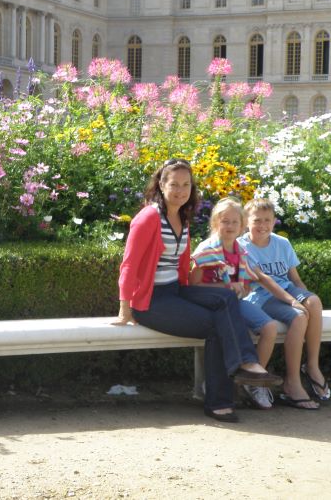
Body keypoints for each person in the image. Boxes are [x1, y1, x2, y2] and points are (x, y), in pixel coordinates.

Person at [116, 160, 282, 423]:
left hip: (177, 290)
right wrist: (125, 309)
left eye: (186, 185)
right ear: (161, 184)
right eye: (174, 184)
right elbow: (130, 263)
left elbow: (183, 265)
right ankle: (221, 399)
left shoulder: (182, 217)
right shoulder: (148, 217)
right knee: (217, 325)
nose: (180, 190)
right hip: (152, 301)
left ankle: (247, 365)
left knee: (226, 296)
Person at [190, 198, 285, 410]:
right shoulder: (207, 249)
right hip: (211, 304)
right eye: (225, 221)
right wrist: (224, 288)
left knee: (270, 327)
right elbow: (192, 285)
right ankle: (217, 382)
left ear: (242, 226)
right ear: (215, 224)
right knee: (228, 330)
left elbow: (248, 281)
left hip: (234, 301)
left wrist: (243, 287)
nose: (230, 226)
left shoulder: (240, 252)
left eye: (234, 222)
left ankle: (252, 381)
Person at [238, 198, 330, 409]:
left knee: (314, 303)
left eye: (267, 220)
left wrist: (304, 297)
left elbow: (294, 279)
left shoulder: (282, 243)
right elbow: (264, 281)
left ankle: (313, 366)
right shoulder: (242, 246)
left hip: (286, 290)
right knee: (299, 317)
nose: (262, 225)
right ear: (246, 222)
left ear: (274, 221)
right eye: (257, 220)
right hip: (262, 296)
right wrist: (293, 302)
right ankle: (292, 383)